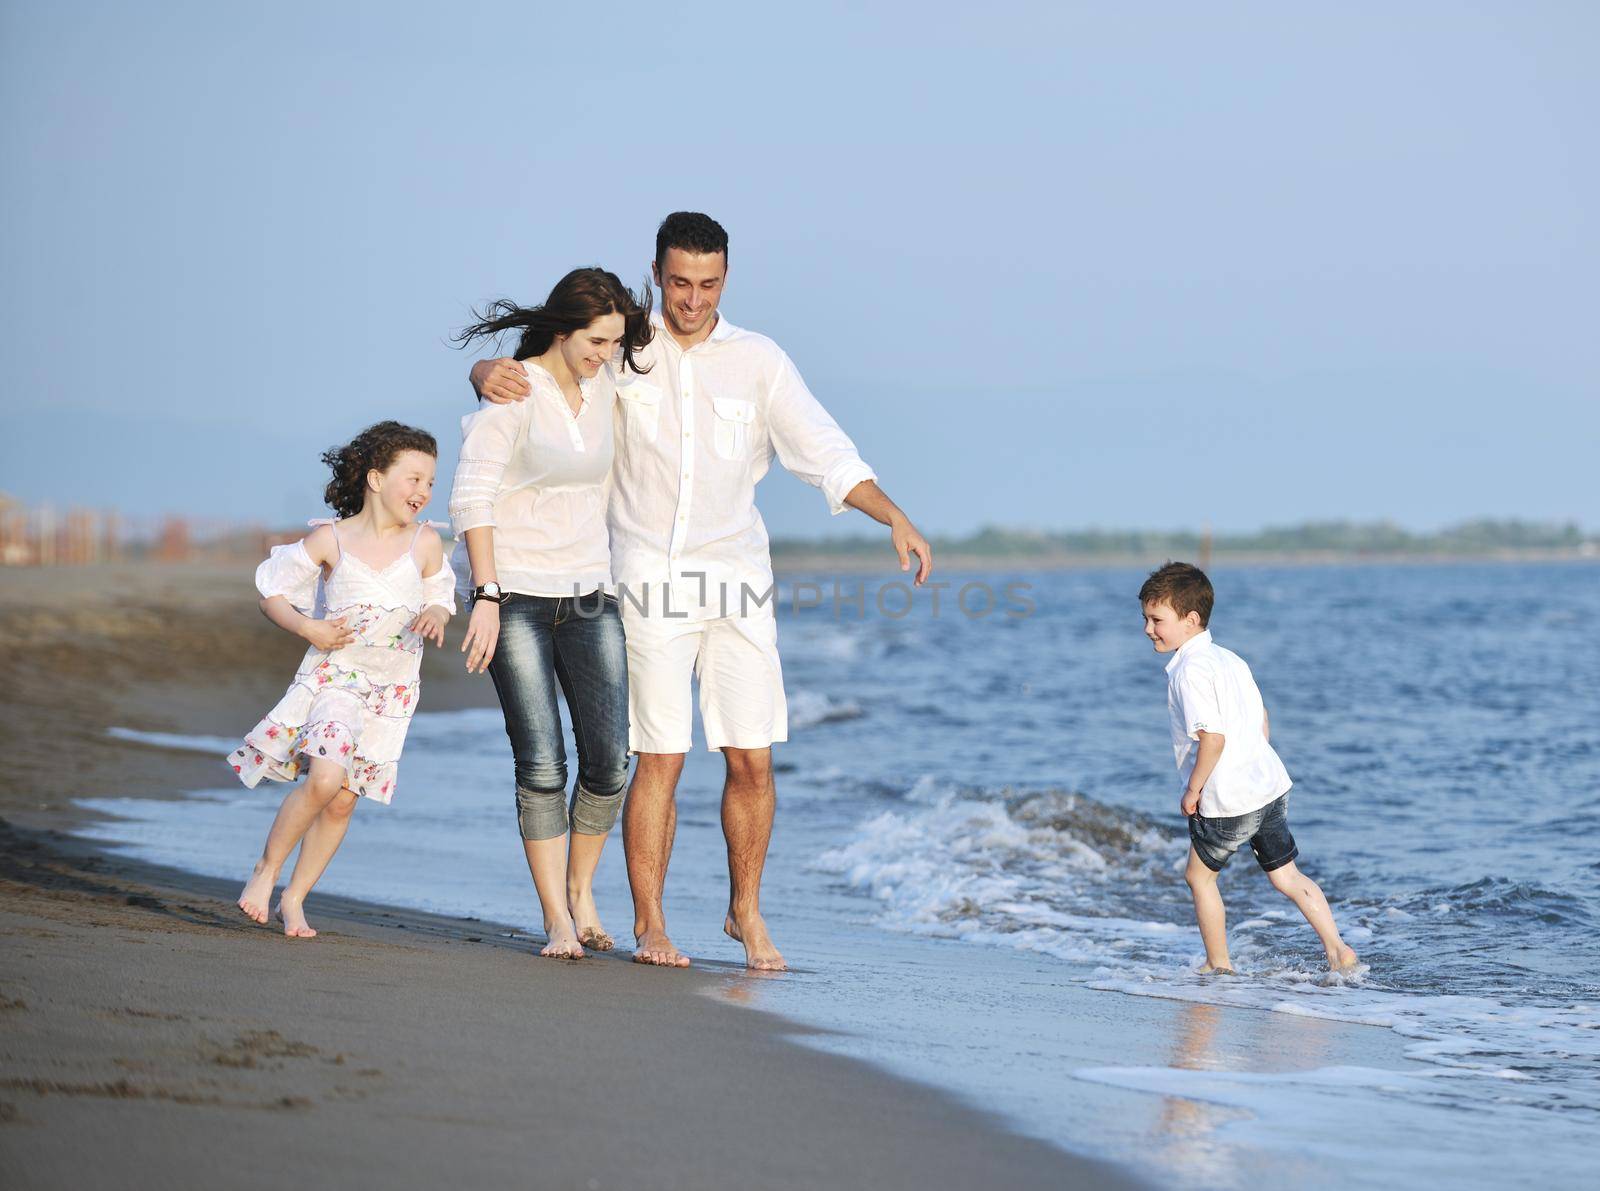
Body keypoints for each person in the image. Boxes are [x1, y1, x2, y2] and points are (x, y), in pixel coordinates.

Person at [470, 212, 933, 970]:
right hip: (645, 575)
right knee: (661, 754)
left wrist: (896, 517)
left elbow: (825, 452)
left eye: (709, 283)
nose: (693, 298)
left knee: (752, 757)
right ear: (656, 273)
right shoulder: (626, 350)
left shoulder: (759, 360)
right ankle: (651, 921)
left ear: (727, 278)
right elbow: (542, 373)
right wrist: (483, 371)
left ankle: (745, 911)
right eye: (680, 282)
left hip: (739, 578)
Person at [450, 268, 654, 959]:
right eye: (596, 339)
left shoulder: (606, 381)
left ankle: (581, 888)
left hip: (591, 592)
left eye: (614, 341)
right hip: (516, 599)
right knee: (542, 763)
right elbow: (472, 498)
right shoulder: (511, 390)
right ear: (564, 329)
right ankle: (557, 919)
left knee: (610, 760)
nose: (606, 351)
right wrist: (485, 594)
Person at [231, 421, 456, 937]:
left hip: (392, 691)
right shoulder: (330, 538)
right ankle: (265, 872)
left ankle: (296, 898)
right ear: (376, 479)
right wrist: (307, 626)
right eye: (413, 479)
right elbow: (272, 592)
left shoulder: (425, 544)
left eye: (429, 483)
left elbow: (441, 595)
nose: (423, 492)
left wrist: (437, 617)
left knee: (343, 799)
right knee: (325, 778)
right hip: (336, 678)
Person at [1138, 561, 1359, 974]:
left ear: (1190, 619)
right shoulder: (1230, 660)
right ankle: (1338, 949)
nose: (1149, 629)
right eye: (1146, 619)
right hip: (1268, 784)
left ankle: (1218, 965)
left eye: (1156, 619)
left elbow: (1213, 738)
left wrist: (1193, 790)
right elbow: (1262, 717)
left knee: (1199, 878)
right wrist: (1253, 761)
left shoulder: (1189, 671)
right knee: (1287, 877)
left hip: (1228, 798)